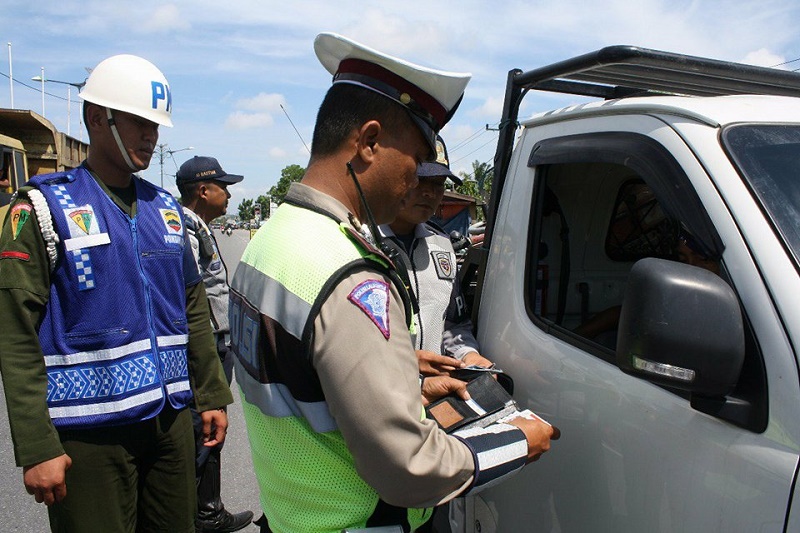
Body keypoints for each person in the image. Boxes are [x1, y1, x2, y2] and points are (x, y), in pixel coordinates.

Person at [229, 32, 557, 533]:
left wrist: (400, 371)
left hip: (292, 513)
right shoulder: (349, 273)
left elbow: (305, 377)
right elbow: (408, 468)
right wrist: (517, 443)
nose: (416, 183)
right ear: (369, 142)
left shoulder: (272, 239)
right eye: (415, 159)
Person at [0, 54, 232, 532]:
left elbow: (192, 307)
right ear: (95, 118)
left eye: (155, 124)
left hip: (169, 425)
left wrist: (210, 393)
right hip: (87, 434)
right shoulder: (45, 208)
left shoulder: (166, 211)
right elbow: (15, 331)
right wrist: (37, 444)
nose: (151, 135)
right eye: (138, 122)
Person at [176, 156, 254, 533]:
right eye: (224, 186)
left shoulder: (196, 227)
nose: (229, 194)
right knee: (204, 431)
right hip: (205, 350)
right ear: (203, 191)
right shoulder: (185, 234)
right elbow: (187, 300)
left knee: (211, 433)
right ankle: (197, 516)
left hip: (214, 345)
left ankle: (208, 510)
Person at [380, 135, 492, 378]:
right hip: (383, 397)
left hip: (436, 393)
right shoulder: (361, 245)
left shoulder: (442, 247)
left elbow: (454, 324)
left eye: (438, 183)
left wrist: (468, 355)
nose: (430, 193)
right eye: (421, 181)